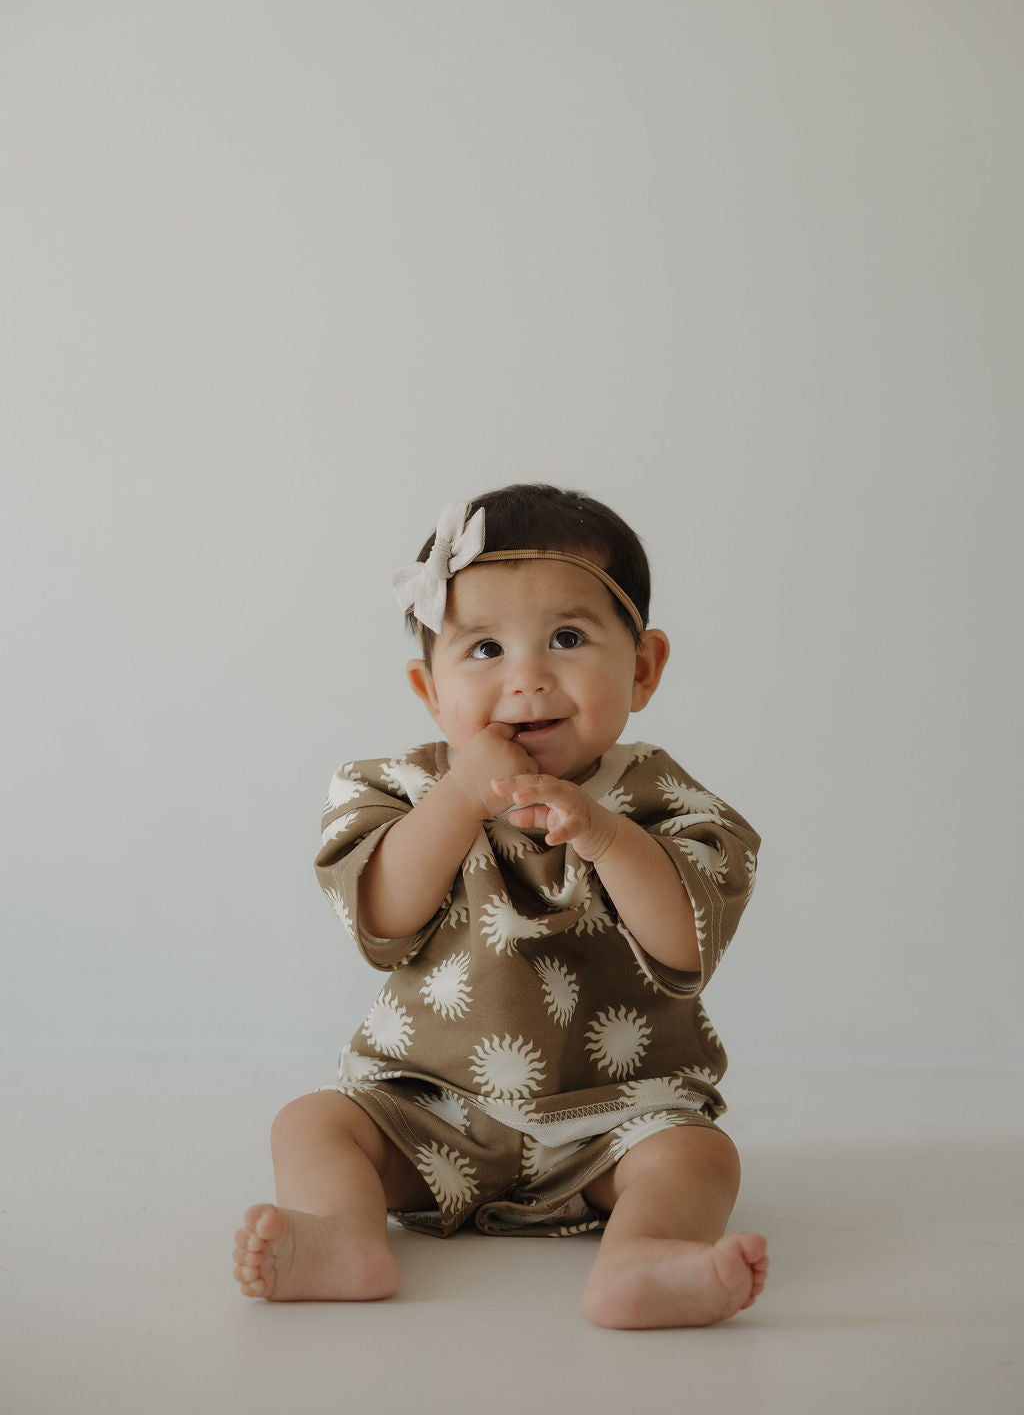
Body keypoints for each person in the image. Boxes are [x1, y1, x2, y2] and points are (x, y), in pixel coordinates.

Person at [232, 484, 768, 1328]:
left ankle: (644, 1256)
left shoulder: (662, 800)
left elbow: (685, 945)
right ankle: (342, 1236)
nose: (527, 679)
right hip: (430, 1113)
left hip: (614, 1119)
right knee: (313, 1122)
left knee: (699, 1155)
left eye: (567, 638)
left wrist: (603, 834)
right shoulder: (400, 789)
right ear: (428, 687)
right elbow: (383, 920)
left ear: (642, 667)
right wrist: (459, 797)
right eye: (484, 648)